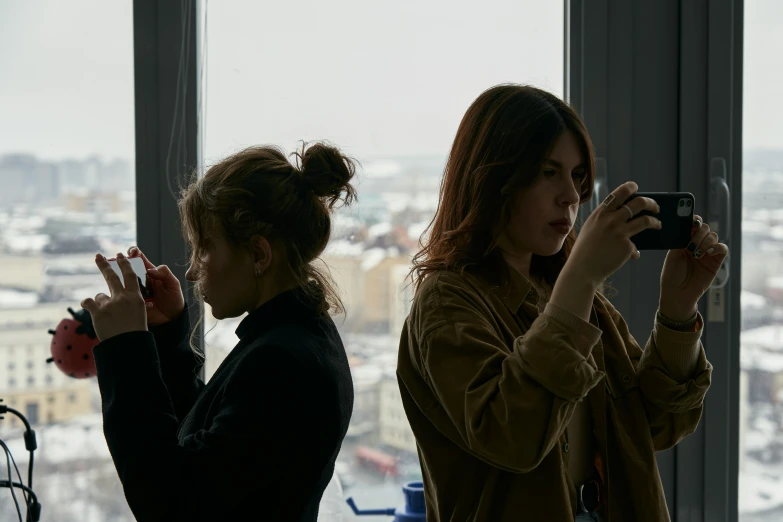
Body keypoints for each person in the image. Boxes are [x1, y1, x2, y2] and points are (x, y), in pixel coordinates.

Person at [396, 84, 728, 521]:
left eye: (576, 176)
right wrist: (582, 278)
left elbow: (655, 424)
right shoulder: (447, 302)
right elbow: (514, 435)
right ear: (493, 179)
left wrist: (677, 312)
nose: (571, 196)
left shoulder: (563, 288)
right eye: (547, 172)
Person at [81, 142, 357, 521]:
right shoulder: (299, 336)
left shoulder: (281, 363)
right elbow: (208, 449)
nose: (192, 271)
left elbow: (172, 503)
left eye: (204, 248)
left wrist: (128, 352)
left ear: (259, 255)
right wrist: (167, 338)